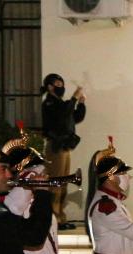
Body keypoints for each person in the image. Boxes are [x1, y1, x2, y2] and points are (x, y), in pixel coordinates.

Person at [40, 72, 85, 230]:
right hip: (55, 147)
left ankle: (60, 217)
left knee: (63, 183)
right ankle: (53, 218)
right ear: (50, 87)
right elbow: (63, 115)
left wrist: (81, 104)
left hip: (64, 147)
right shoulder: (49, 103)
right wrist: (73, 98)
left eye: (62, 84)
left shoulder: (60, 103)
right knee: (55, 183)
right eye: (58, 84)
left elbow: (75, 117)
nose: (62, 87)